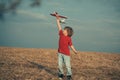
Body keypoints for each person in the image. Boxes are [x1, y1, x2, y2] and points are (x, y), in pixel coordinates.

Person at [54, 13, 78, 80]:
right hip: (60, 53)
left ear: (68, 32)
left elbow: (71, 45)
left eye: (65, 30)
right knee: (59, 65)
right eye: (64, 29)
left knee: (67, 66)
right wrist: (57, 18)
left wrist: (74, 50)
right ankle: (61, 74)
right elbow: (59, 25)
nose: (63, 30)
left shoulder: (69, 38)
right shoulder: (61, 34)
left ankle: (69, 75)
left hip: (66, 54)